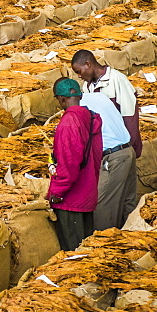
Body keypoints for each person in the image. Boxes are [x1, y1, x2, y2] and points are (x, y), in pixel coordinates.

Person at [70, 49, 140, 230]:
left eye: (79, 71)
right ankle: (125, 235)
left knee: (105, 203)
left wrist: (130, 147)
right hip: (111, 151)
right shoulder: (87, 87)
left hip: (118, 149)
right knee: (125, 197)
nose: (79, 76)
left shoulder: (116, 80)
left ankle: (108, 240)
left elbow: (129, 114)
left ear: (88, 64)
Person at [46, 77, 103, 251]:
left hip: (71, 200)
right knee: (85, 246)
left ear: (61, 99)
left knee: (74, 252)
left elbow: (69, 165)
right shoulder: (91, 117)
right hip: (88, 192)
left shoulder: (69, 123)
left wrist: (55, 192)